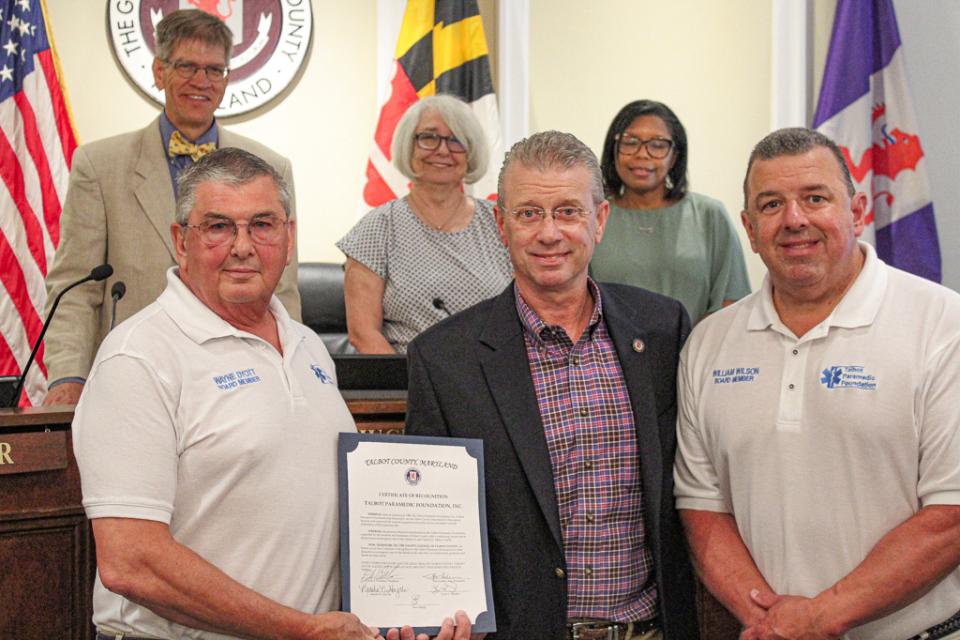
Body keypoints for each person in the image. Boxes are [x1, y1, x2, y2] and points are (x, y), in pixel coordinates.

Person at [72, 148, 470, 640]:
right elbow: (131, 562)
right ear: (181, 241)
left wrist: (416, 609)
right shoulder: (138, 359)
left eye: (262, 224)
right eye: (218, 226)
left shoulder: (306, 346)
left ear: (288, 236)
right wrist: (299, 629)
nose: (242, 246)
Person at [406, 131, 698, 639]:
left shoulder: (663, 329)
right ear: (500, 223)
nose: (548, 233)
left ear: (599, 221)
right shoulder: (443, 358)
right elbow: (427, 521)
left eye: (567, 211)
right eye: (528, 214)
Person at [674, 128, 960, 640]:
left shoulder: (942, 325)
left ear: (857, 209)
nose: (794, 220)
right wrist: (771, 621)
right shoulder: (708, 344)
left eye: (815, 198)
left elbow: (951, 515)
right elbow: (702, 506)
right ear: (749, 227)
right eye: (771, 204)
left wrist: (819, 617)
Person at [42, 9, 300, 407]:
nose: (202, 82)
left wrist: (293, 376)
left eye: (215, 70)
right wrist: (68, 378)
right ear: (159, 71)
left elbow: (282, 289)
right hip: (134, 380)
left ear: (228, 79)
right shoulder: (99, 165)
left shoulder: (271, 167)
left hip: (244, 384)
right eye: (187, 67)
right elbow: (76, 289)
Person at [337, 94, 512, 354]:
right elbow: (363, 334)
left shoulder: (501, 223)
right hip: (410, 385)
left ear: (470, 151)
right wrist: (417, 386)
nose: (442, 150)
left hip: (495, 381)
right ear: (409, 146)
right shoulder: (376, 229)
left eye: (456, 140)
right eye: (429, 137)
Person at [590, 99, 750, 323]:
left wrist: (691, 350)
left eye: (657, 145)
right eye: (630, 142)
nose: (642, 154)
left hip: (696, 353)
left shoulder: (709, 215)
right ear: (613, 149)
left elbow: (732, 302)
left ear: (675, 156)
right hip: (608, 356)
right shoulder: (593, 218)